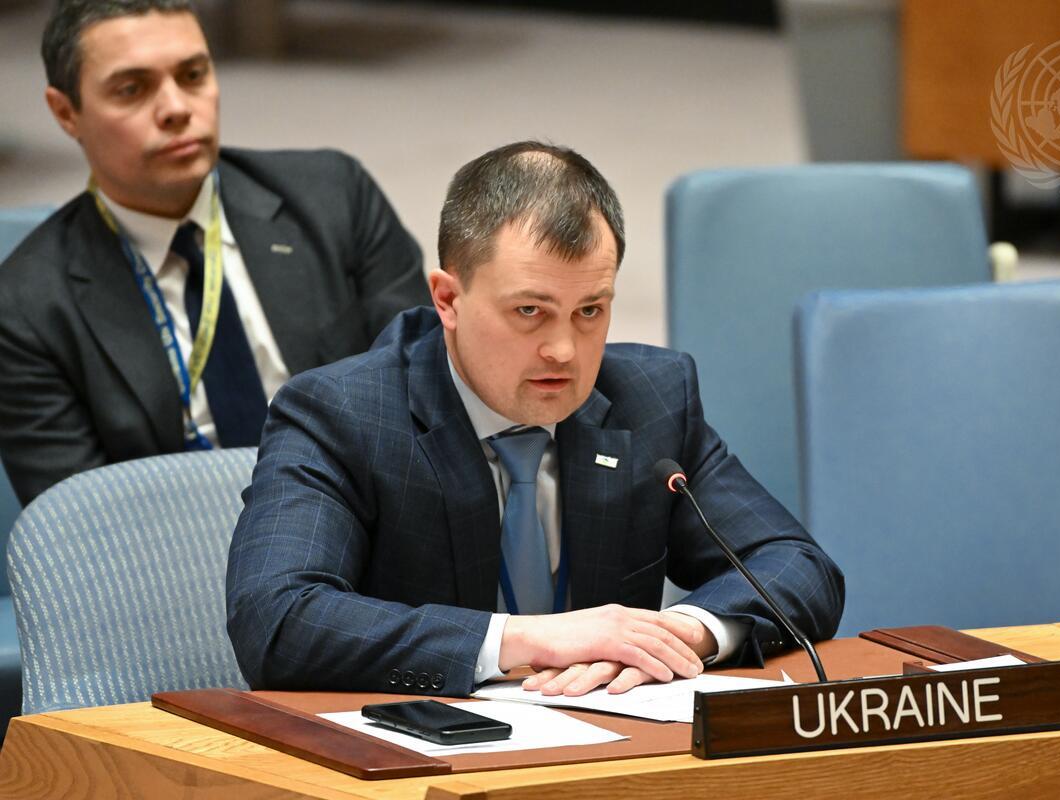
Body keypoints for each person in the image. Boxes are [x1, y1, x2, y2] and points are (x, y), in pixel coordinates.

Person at [226, 142, 844, 698]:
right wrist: (527, 639)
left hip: (614, 745)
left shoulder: (650, 399)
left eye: (590, 311)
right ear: (447, 299)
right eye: (530, 311)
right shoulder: (343, 414)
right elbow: (275, 618)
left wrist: (681, 632)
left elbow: (796, 564)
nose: (564, 351)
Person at [0, 0, 429, 505]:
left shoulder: (336, 198)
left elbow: (423, 402)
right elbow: (79, 523)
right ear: (66, 112)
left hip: (363, 520)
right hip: (170, 545)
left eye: (193, 75)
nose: (177, 108)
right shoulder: (26, 308)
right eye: (132, 89)